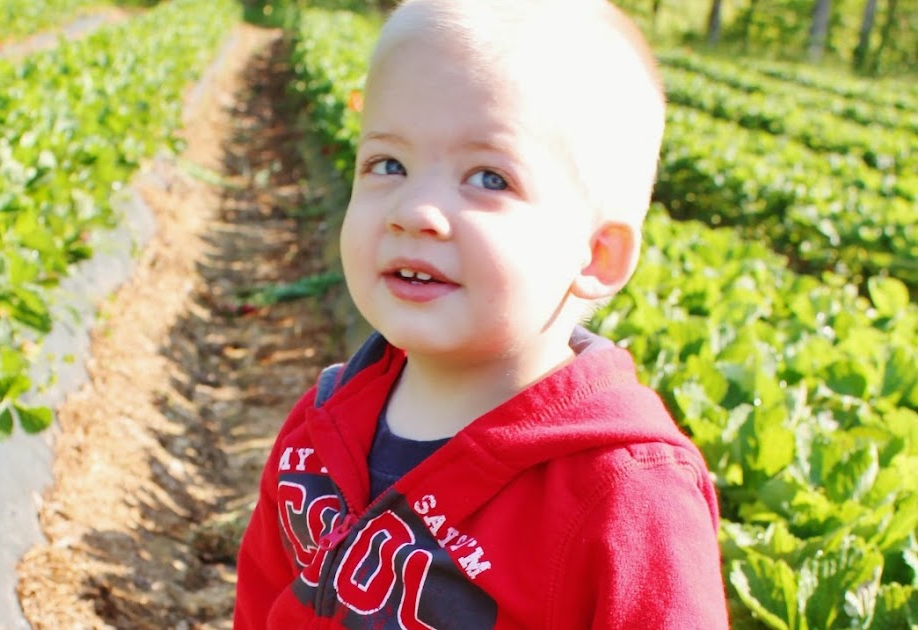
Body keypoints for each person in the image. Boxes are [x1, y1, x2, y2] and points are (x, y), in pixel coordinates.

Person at [233, 0, 729, 627]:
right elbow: (260, 604)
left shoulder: (627, 500)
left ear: (597, 254)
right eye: (388, 164)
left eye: (488, 178)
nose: (413, 209)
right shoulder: (321, 425)